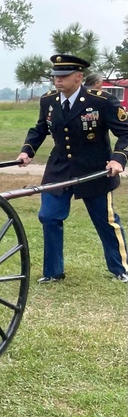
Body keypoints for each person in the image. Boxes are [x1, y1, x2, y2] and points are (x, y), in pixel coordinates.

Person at [16, 54, 128, 283]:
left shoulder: (101, 101)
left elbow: (125, 132)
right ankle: (53, 272)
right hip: (59, 168)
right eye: (55, 76)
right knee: (48, 216)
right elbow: (40, 129)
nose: (58, 80)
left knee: (105, 220)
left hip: (94, 168)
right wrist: (27, 150)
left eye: (64, 76)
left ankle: (121, 269)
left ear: (78, 77)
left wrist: (118, 159)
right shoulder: (48, 101)